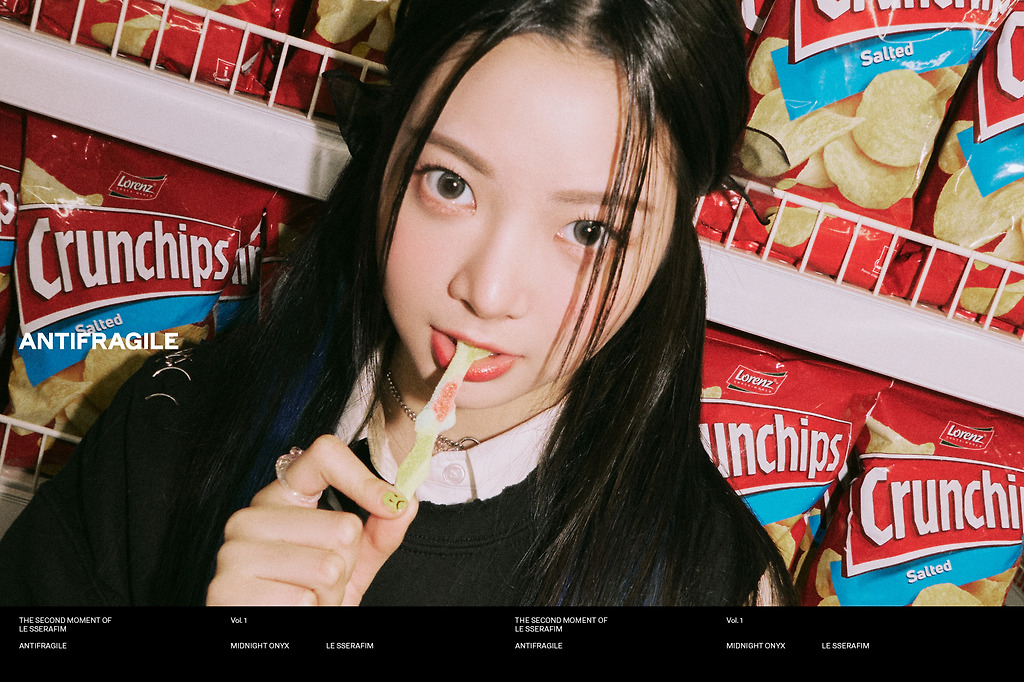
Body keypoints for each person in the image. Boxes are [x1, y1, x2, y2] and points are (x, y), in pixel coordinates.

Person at [0, 0, 796, 607]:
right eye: (450, 184)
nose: (487, 291)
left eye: (590, 230)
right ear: (388, 153)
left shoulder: (713, 582)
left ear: (675, 234)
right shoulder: (171, 431)